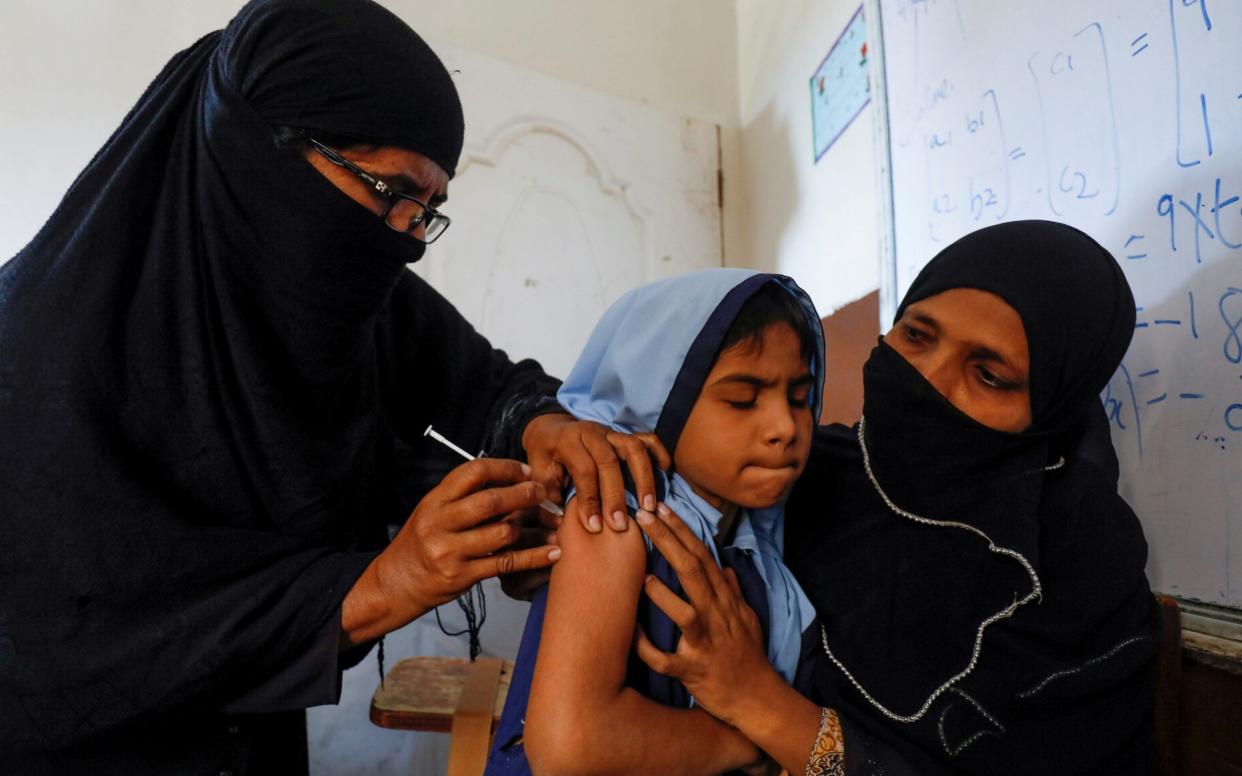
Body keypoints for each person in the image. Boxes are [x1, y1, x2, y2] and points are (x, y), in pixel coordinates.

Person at [0, 1, 665, 773]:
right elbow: (63, 654)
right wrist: (382, 584)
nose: (408, 243)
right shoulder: (34, 367)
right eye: (391, 195)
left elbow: (473, 379)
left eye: (429, 212)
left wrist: (539, 423)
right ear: (260, 156)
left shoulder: (342, 292)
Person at [621, 221, 1161, 775]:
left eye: (990, 375)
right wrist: (555, 446)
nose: (926, 378)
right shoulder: (796, 469)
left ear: (1052, 405)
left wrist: (760, 705)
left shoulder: (1083, 566)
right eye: (917, 336)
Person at [485, 270, 825, 775]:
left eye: (799, 397)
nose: (784, 427)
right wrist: (746, 742)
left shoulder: (759, 541)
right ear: (658, 401)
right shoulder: (614, 514)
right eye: (742, 400)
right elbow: (571, 746)